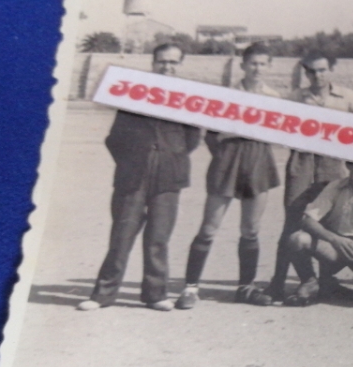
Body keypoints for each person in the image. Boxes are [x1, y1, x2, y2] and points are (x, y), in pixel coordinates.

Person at [78, 43, 201, 311]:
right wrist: (133, 161)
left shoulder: (188, 98)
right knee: (122, 235)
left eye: (173, 62)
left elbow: (192, 139)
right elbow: (115, 138)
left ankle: (156, 295)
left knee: (159, 237)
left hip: (169, 174)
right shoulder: (133, 94)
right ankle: (102, 296)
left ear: (180, 65)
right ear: (153, 63)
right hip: (134, 174)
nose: (167, 67)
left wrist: (170, 156)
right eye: (162, 62)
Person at [176, 42, 281, 309]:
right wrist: (227, 151)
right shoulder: (226, 95)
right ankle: (190, 288)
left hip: (258, 162)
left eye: (262, 63)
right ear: (243, 65)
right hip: (228, 162)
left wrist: (240, 130)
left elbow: (277, 133)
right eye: (252, 63)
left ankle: (246, 287)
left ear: (269, 67)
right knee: (209, 228)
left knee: (251, 229)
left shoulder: (275, 97)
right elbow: (211, 135)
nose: (257, 68)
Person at [266, 52, 353, 303]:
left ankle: (325, 283)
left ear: (331, 69)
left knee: (330, 222)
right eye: (312, 71)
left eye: (322, 70)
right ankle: (282, 281)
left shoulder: (347, 97)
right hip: (301, 163)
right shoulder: (295, 97)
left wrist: (351, 145)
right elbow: (279, 127)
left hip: (333, 164)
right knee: (292, 223)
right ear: (305, 73)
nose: (317, 76)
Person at [283, 162, 353, 305]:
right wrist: (335, 239)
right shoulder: (335, 186)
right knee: (297, 239)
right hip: (337, 247)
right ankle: (310, 282)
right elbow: (308, 220)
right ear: (348, 165)